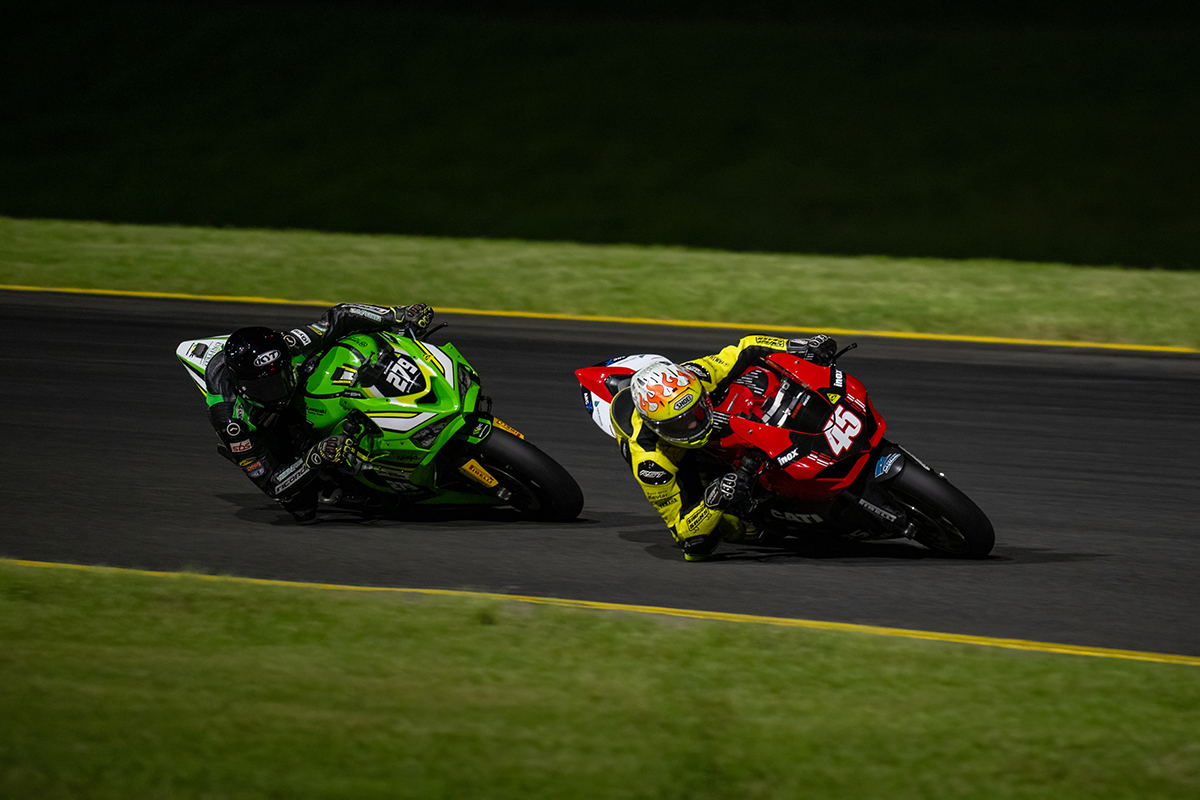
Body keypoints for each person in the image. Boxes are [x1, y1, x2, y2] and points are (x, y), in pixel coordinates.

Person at [201, 302, 435, 522]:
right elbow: (272, 483)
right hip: (263, 428)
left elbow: (341, 316)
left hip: (292, 381)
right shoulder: (232, 424)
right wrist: (316, 457)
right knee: (301, 506)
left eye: (281, 378)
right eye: (265, 387)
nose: (277, 391)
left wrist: (396, 315)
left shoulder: (290, 345)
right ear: (241, 386)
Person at [618, 333, 839, 560]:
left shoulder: (696, 376)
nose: (693, 425)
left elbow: (747, 348)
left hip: (712, 414)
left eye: (695, 411)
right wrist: (715, 498)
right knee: (711, 539)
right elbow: (684, 535)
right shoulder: (650, 463)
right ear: (656, 427)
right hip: (678, 459)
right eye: (679, 424)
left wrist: (799, 346)